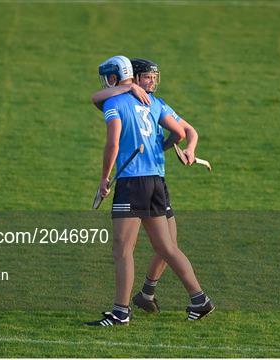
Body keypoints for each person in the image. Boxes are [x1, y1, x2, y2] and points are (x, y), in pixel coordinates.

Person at [85, 56, 213, 326]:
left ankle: (121, 312)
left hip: (132, 183)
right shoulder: (153, 102)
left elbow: (113, 144)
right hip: (155, 181)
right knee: (166, 246)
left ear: (113, 77)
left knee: (122, 249)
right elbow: (180, 132)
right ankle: (199, 299)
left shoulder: (113, 103)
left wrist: (104, 178)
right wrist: (160, 147)